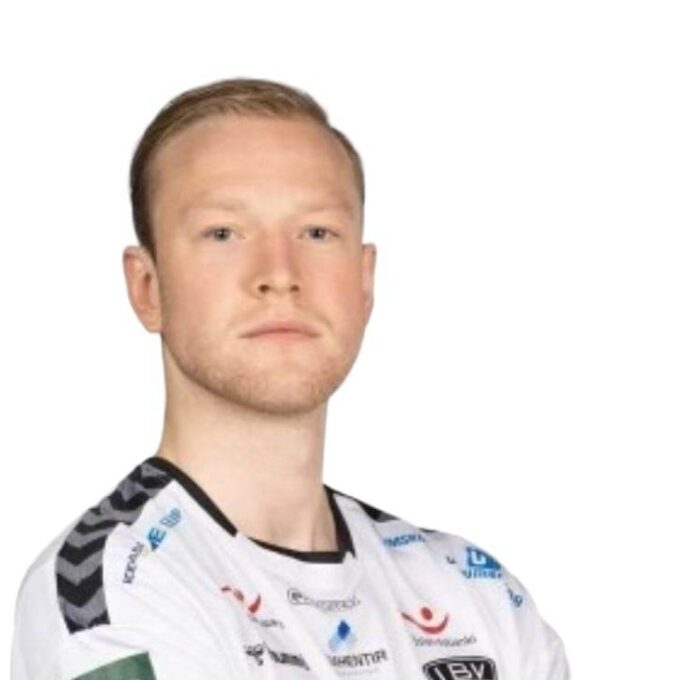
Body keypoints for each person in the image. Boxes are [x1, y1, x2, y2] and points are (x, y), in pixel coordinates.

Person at [10, 77, 570, 680]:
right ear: (148, 288)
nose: (279, 274)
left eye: (317, 232)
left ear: (364, 282)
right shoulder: (112, 588)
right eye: (223, 233)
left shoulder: (478, 596)